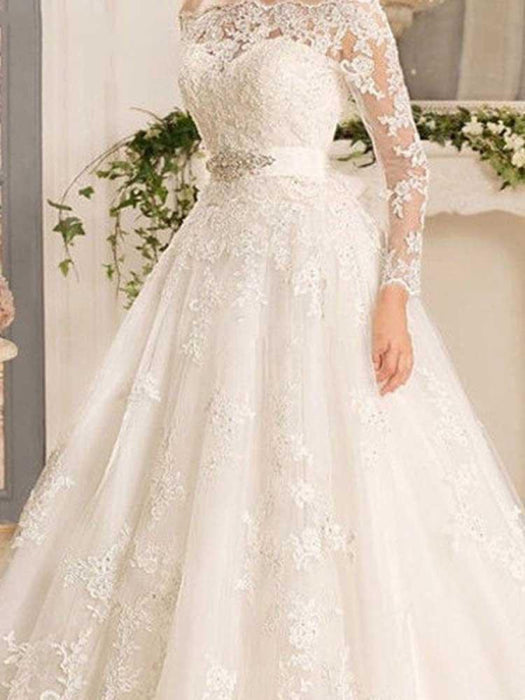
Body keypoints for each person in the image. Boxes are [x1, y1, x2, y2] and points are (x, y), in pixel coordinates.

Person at [1, 0, 524, 697]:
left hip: (312, 262)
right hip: (211, 256)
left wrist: (395, 295)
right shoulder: (200, 11)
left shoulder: (347, 14)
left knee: (319, 455)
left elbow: (407, 168)